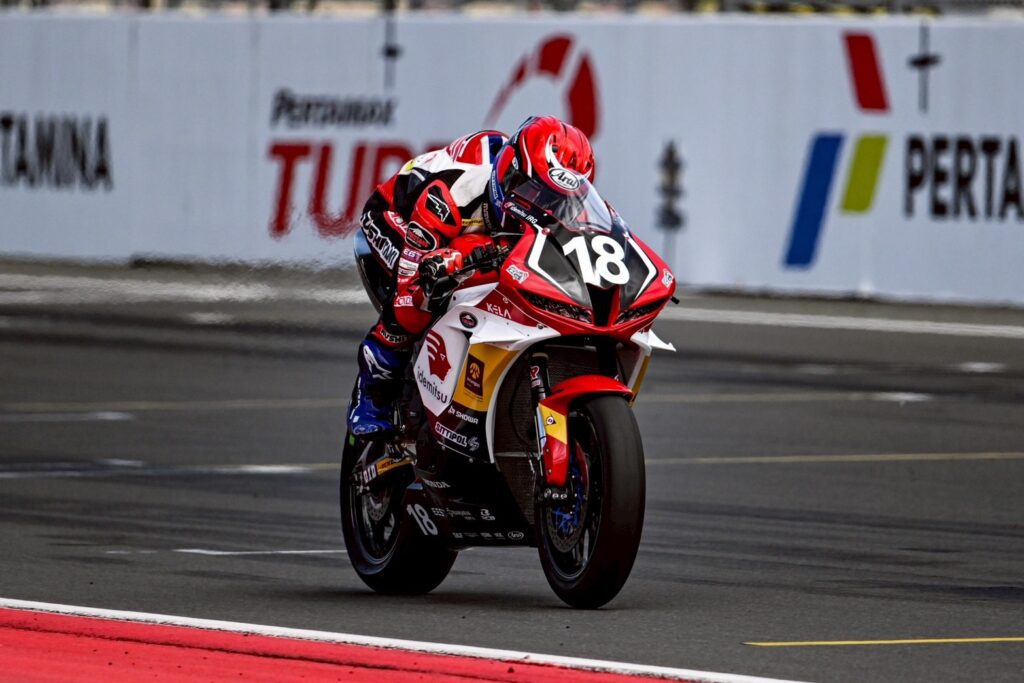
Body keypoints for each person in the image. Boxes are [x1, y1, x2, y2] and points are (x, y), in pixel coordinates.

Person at [348, 115, 596, 436]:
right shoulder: (454, 193)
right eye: (532, 191)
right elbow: (413, 287)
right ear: (509, 173)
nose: (542, 205)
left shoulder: (566, 205)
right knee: (413, 306)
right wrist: (447, 266)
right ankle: (370, 397)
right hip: (396, 218)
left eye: (554, 199)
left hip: (476, 237)